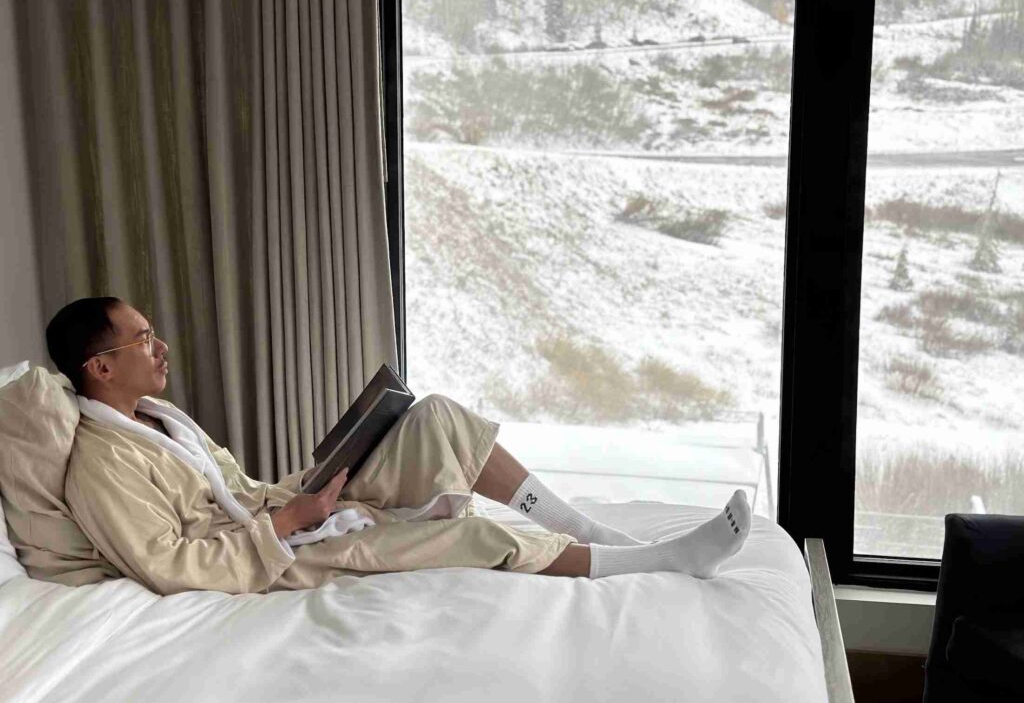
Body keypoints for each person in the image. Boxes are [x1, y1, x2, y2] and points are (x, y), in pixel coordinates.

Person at [46, 297, 751, 596]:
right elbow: (171, 567)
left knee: (437, 417)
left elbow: (235, 489)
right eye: (142, 339)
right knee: (472, 534)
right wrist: (288, 523)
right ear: (100, 367)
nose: (160, 346)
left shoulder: (157, 418)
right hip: (278, 558)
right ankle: (658, 562)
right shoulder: (101, 465)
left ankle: (584, 527)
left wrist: (307, 490)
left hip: (286, 513)